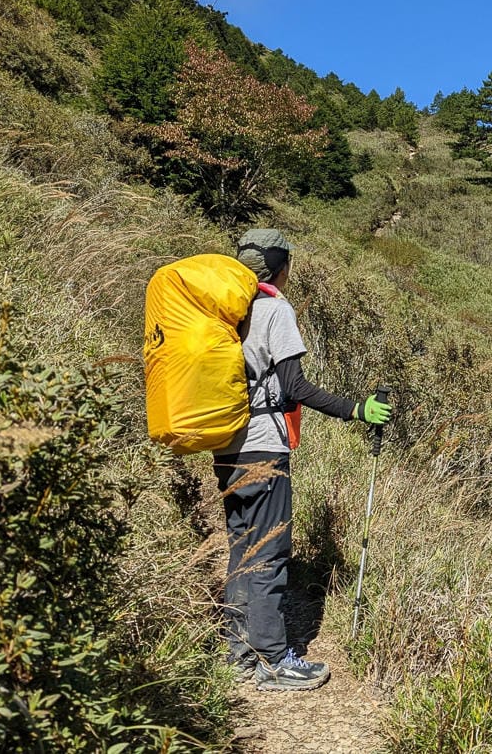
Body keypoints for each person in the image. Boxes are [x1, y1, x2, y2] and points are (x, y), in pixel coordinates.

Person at [215, 228, 392, 692]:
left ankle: (240, 654)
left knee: (242, 549)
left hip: (226, 446)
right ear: (279, 266)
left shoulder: (225, 311)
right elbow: (295, 388)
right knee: (269, 552)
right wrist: (357, 409)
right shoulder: (275, 309)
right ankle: (274, 661)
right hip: (264, 446)